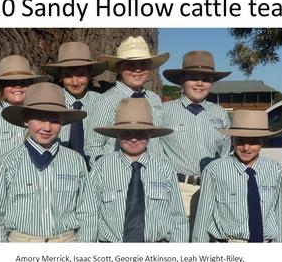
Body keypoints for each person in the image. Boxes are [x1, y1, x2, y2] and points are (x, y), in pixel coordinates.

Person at [0, 82, 97, 242]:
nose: (47, 127)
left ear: (63, 121)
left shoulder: (75, 160)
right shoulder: (7, 163)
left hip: (66, 242)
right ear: (25, 120)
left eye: (54, 120)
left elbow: (88, 211)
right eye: (39, 119)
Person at [90, 98, 188, 242]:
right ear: (117, 134)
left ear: (150, 134)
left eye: (140, 132)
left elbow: (177, 215)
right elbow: (91, 213)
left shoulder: (165, 167)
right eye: (127, 132)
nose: (134, 139)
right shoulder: (101, 167)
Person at [161, 50, 231, 234]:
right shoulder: (163, 112)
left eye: (206, 79)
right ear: (183, 80)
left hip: (213, 191)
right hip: (178, 190)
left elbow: (226, 153)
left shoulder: (220, 114)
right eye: (193, 77)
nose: (200, 83)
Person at [0, 55, 48, 241]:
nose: (18, 86)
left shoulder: (42, 116)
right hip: (3, 196)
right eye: (11, 83)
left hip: (41, 193)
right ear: (1, 87)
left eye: (24, 82)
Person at [192, 109, 282, 243]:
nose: (246, 147)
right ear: (232, 140)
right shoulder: (214, 170)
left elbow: (281, 215)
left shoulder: (275, 170)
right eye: (240, 140)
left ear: (263, 142)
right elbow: (203, 217)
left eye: (253, 141)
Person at [85, 36, 169, 165]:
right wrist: (109, 173)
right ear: (119, 68)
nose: (137, 69)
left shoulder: (154, 99)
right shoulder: (106, 101)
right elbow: (93, 147)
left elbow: (159, 142)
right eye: (130, 64)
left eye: (143, 63)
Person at [42, 41, 107, 166]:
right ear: (61, 76)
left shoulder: (102, 102)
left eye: (81, 75)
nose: (75, 82)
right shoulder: (51, 102)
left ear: (89, 75)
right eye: (68, 76)